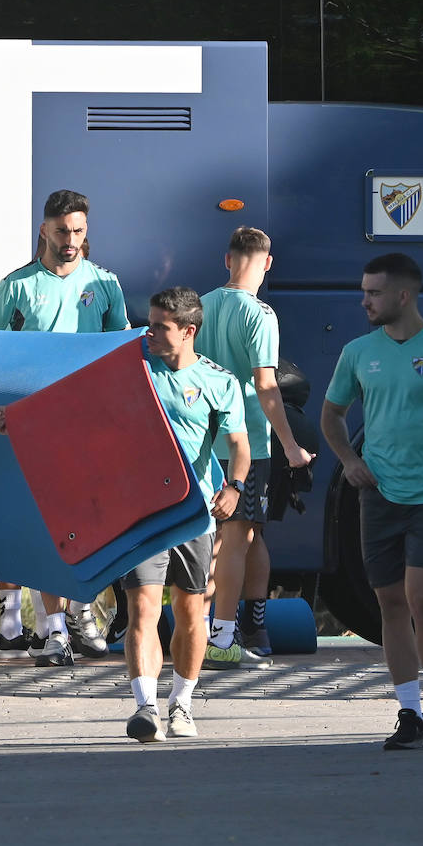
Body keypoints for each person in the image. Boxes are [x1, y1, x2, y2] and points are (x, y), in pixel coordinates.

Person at [320, 253, 423, 749]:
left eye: (373, 293)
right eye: (364, 291)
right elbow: (332, 416)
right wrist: (349, 460)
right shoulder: (357, 352)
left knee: (421, 597)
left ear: (403, 295)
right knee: (390, 602)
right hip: (379, 495)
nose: (364, 301)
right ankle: (409, 712)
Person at [0, 188, 126, 666]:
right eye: (62, 231)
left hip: (88, 423)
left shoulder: (105, 283)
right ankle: (53, 630)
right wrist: (7, 388)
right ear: (44, 230)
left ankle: (81, 613)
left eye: (78, 231)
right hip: (34, 422)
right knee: (45, 521)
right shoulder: (18, 285)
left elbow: (120, 347)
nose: (71, 240)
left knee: (91, 520)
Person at [122, 288, 249, 741]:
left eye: (160, 326)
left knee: (191, 611)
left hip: (195, 514)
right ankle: (145, 707)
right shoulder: (133, 364)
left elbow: (239, 447)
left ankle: (182, 703)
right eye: (149, 322)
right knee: (143, 609)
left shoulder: (220, 381)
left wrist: (233, 488)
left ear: (189, 331)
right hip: (142, 513)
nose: (149, 332)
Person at [196, 227, 314, 669]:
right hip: (248, 441)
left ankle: (220, 628)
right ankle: (229, 633)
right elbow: (267, 385)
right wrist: (291, 445)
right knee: (240, 537)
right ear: (267, 264)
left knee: (219, 537)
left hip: (202, 438)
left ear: (227, 260)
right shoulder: (261, 315)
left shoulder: (201, 306)